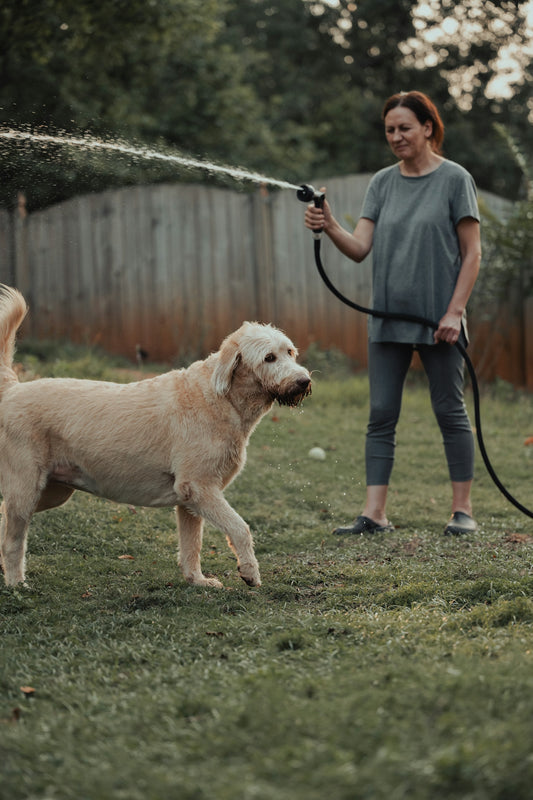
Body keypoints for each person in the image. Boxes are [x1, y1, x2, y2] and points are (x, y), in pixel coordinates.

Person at [304, 90, 482, 536]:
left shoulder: (455, 179)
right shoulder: (382, 182)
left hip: (440, 321)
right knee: (381, 413)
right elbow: (360, 248)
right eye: (389, 130)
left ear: (428, 127)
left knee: (449, 411)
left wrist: (454, 313)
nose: (397, 136)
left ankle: (463, 512)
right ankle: (375, 514)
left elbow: (473, 253)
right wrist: (329, 224)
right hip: (388, 318)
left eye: (405, 127)